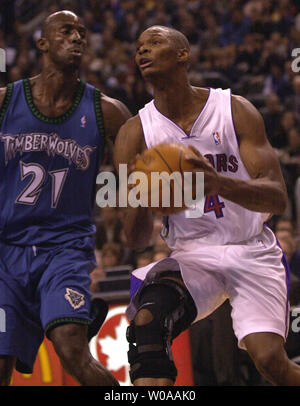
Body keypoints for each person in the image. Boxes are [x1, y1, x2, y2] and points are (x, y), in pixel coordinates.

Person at [114, 25, 300, 386]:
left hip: (251, 249)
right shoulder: (134, 133)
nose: (142, 51)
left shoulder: (234, 110)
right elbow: (134, 240)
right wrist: (141, 197)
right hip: (192, 256)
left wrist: (217, 182)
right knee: (148, 326)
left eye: (154, 43)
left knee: (270, 362)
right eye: (138, 47)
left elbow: (277, 196)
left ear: (183, 54)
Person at [0, 10, 131, 386]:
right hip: (6, 254)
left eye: (81, 33)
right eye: (66, 31)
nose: (77, 38)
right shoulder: (6, 102)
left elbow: (143, 175)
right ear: (42, 43)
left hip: (64, 250)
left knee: (72, 348)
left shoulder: (107, 111)